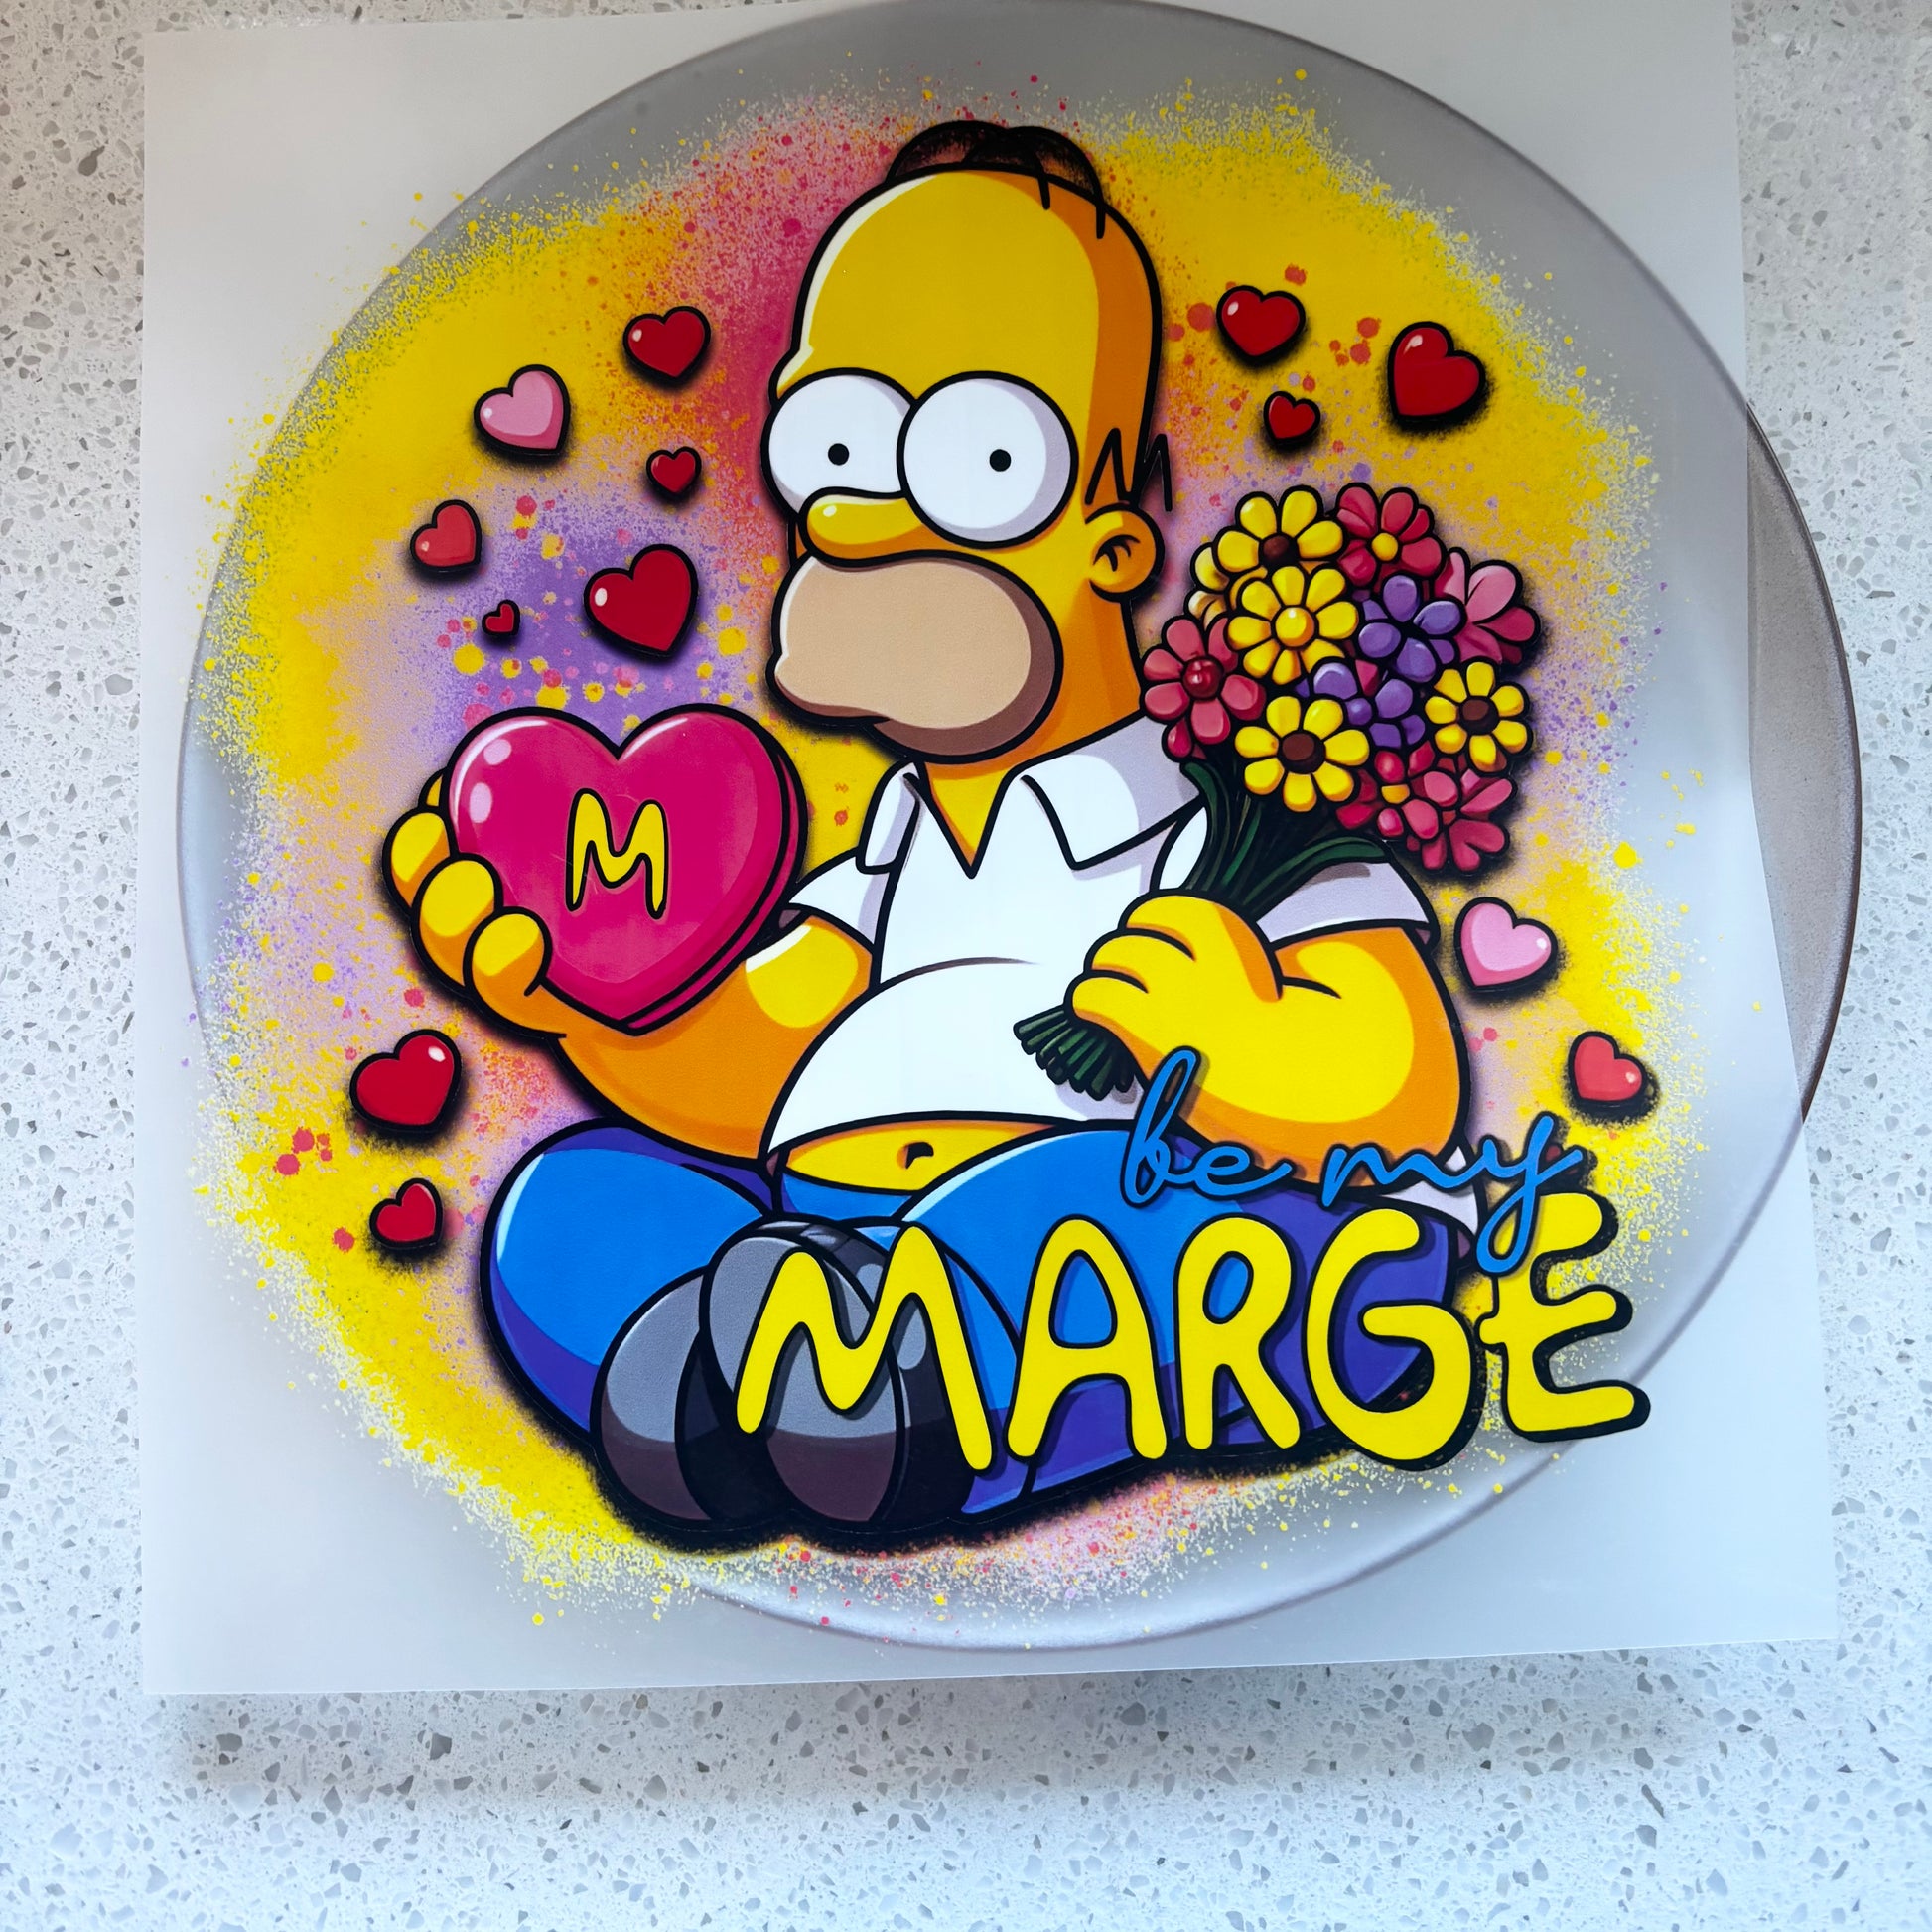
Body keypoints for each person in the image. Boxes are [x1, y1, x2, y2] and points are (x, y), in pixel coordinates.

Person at [384, 123, 1469, 1540]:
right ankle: (769, 1384)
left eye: (976, 454)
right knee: (571, 1203)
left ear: (1112, 540)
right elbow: (756, 1062)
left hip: (1091, 1222)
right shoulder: (886, 860)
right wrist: (581, 999)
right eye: (835, 444)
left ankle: (882, 1390)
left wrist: (1245, 1031)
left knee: (1175, 1226)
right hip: (828, 1229)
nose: (867, 513)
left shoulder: (1235, 811)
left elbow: (1401, 1084)